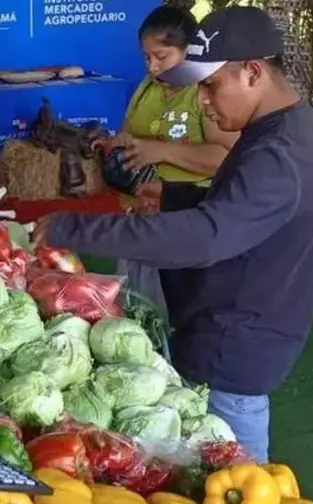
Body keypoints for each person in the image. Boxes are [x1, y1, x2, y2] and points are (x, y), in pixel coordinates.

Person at [37, 6, 313, 462]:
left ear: (252, 72)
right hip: (236, 327)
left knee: (236, 494)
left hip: (234, 349)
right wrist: (173, 196)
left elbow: (204, 238)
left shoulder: (278, 153)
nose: (202, 101)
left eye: (211, 85)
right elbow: (241, 209)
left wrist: (70, 227)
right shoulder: (293, 127)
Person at [114, 4, 238, 316]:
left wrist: (163, 151)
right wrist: (113, 146)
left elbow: (228, 158)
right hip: (142, 211)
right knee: (137, 308)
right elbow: (127, 136)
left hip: (190, 214)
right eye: (147, 57)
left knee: (183, 309)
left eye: (162, 56)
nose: (152, 67)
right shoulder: (146, 88)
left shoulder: (204, 91)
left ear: (188, 52)